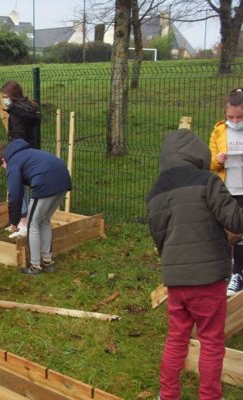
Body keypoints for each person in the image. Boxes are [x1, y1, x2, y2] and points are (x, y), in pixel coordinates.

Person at [147, 129, 243, 400]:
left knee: (176, 338)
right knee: (211, 341)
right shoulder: (207, 181)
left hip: (177, 280)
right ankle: (210, 396)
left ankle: (167, 395)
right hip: (209, 278)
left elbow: (159, 237)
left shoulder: (155, 192)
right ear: (199, 154)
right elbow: (235, 221)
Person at [0, 139, 71, 275]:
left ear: (3, 159)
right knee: (44, 220)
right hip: (63, 179)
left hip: (46, 183)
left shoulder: (13, 162)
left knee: (32, 224)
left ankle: (35, 266)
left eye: (3, 167)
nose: (6, 170)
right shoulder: (26, 153)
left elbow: (14, 195)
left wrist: (14, 221)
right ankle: (47, 261)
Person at [209, 87, 243, 296]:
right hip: (226, 190)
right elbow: (210, 163)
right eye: (231, 116)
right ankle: (228, 271)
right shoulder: (219, 130)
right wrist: (218, 160)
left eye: (240, 117)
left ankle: (238, 273)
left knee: (241, 234)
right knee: (226, 232)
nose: (235, 121)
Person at [0, 80, 42, 239]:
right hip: (32, 150)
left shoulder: (16, 112)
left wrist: (12, 152)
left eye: (5, 96)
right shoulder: (30, 107)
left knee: (18, 187)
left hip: (20, 152)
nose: (4, 99)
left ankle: (23, 222)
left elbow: (18, 135)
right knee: (29, 186)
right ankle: (29, 220)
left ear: (12, 96)